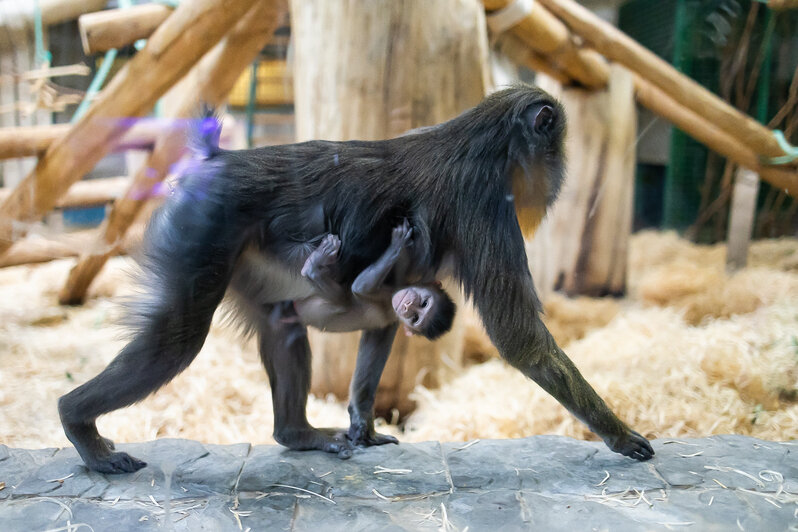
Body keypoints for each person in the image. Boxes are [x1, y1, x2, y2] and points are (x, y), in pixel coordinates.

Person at [292, 220, 455, 339]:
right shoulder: (401, 286)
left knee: (345, 300)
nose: (409, 306)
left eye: (414, 318)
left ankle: (314, 272)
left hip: (304, 305)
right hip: (305, 298)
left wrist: (395, 248)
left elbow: (359, 288)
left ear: (407, 329)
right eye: (424, 303)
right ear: (434, 284)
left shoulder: (384, 312)